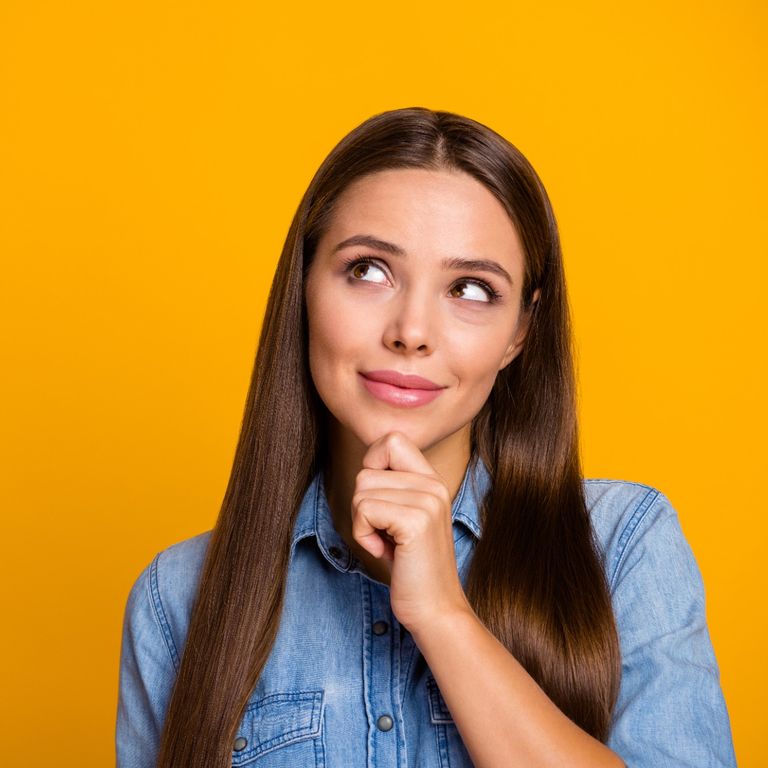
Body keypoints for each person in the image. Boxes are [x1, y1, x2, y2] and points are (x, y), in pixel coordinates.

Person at [115, 107, 736, 768]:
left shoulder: (622, 547)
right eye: (368, 271)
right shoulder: (178, 598)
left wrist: (444, 616)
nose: (411, 330)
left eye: (470, 289)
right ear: (303, 289)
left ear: (519, 335)